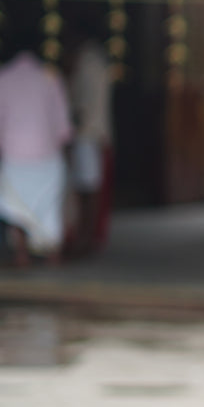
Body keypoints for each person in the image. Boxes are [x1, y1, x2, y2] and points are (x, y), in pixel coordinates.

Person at [0, 40, 72, 266]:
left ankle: (21, 254)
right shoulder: (50, 76)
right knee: (49, 208)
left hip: (13, 155)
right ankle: (53, 255)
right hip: (47, 154)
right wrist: (64, 148)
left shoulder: (1, 77)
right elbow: (63, 124)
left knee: (15, 205)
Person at [66, 37, 114, 255]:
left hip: (87, 135)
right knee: (90, 189)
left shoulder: (87, 64)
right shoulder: (97, 61)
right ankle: (89, 236)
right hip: (95, 134)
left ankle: (86, 238)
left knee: (87, 189)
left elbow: (82, 107)